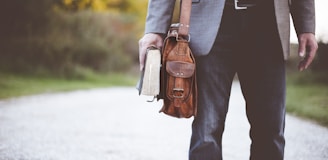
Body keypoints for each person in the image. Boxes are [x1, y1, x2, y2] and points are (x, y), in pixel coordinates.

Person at [138, 0, 318, 159]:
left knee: (270, 131)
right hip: (211, 25)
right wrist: (155, 28)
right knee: (207, 132)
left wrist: (306, 26)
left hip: (269, 23)